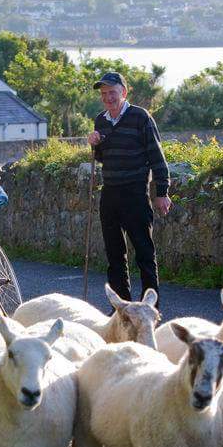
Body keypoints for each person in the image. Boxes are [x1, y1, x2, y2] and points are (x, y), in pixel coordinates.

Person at [87, 71, 171, 309]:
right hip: (110, 193)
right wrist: (95, 144)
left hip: (135, 192)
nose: (107, 98)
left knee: (144, 254)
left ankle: (149, 310)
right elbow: (103, 157)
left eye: (112, 92)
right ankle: (121, 311)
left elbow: (157, 157)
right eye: (104, 94)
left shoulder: (140, 117)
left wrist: (162, 192)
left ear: (123, 93)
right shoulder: (100, 120)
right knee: (114, 257)